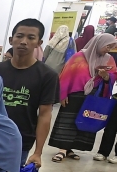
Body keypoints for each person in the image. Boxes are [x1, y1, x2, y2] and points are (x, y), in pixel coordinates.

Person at [0, 19, 58, 168]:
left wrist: (38, 152)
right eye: (19, 36)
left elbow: (45, 114)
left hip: (20, 143)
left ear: (39, 43)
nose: (23, 41)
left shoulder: (47, 76)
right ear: (11, 40)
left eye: (31, 38)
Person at [49, 33, 117, 162]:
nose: (108, 50)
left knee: (84, 121)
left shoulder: (108, 60)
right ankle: (62, 149)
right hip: (75, 95)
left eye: (111, 47)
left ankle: (70, 148)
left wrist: (105, 76)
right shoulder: (79, 57)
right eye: (107, 46)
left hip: (93, 97)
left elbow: (113, 76)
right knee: (68, 122)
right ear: (99, 43)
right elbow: (66, 75)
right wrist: (63, 94)